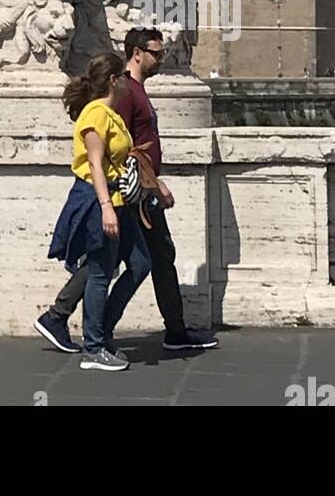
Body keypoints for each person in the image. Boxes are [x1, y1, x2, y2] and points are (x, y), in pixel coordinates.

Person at [36, 30, 217, 356]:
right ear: (136, 53)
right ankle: (87, 329)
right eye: (156, 53)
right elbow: (113, 153)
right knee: (131, 260)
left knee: (137, 260)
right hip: (131, 193)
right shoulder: (123, 96)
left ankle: (65, 318)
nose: (161, 59)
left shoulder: (133, 92)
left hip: (133, 190)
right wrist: (147, 185)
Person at [44, 53, 152, 371]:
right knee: (101, 272)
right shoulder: (95, 114)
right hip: (99, 200)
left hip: (120, 202)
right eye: (124, 77)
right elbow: (94, 163)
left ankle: (103, 331)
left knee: (139, 263)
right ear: (114, 80)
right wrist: (106, 208)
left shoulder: (111, 114)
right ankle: (93, 347)